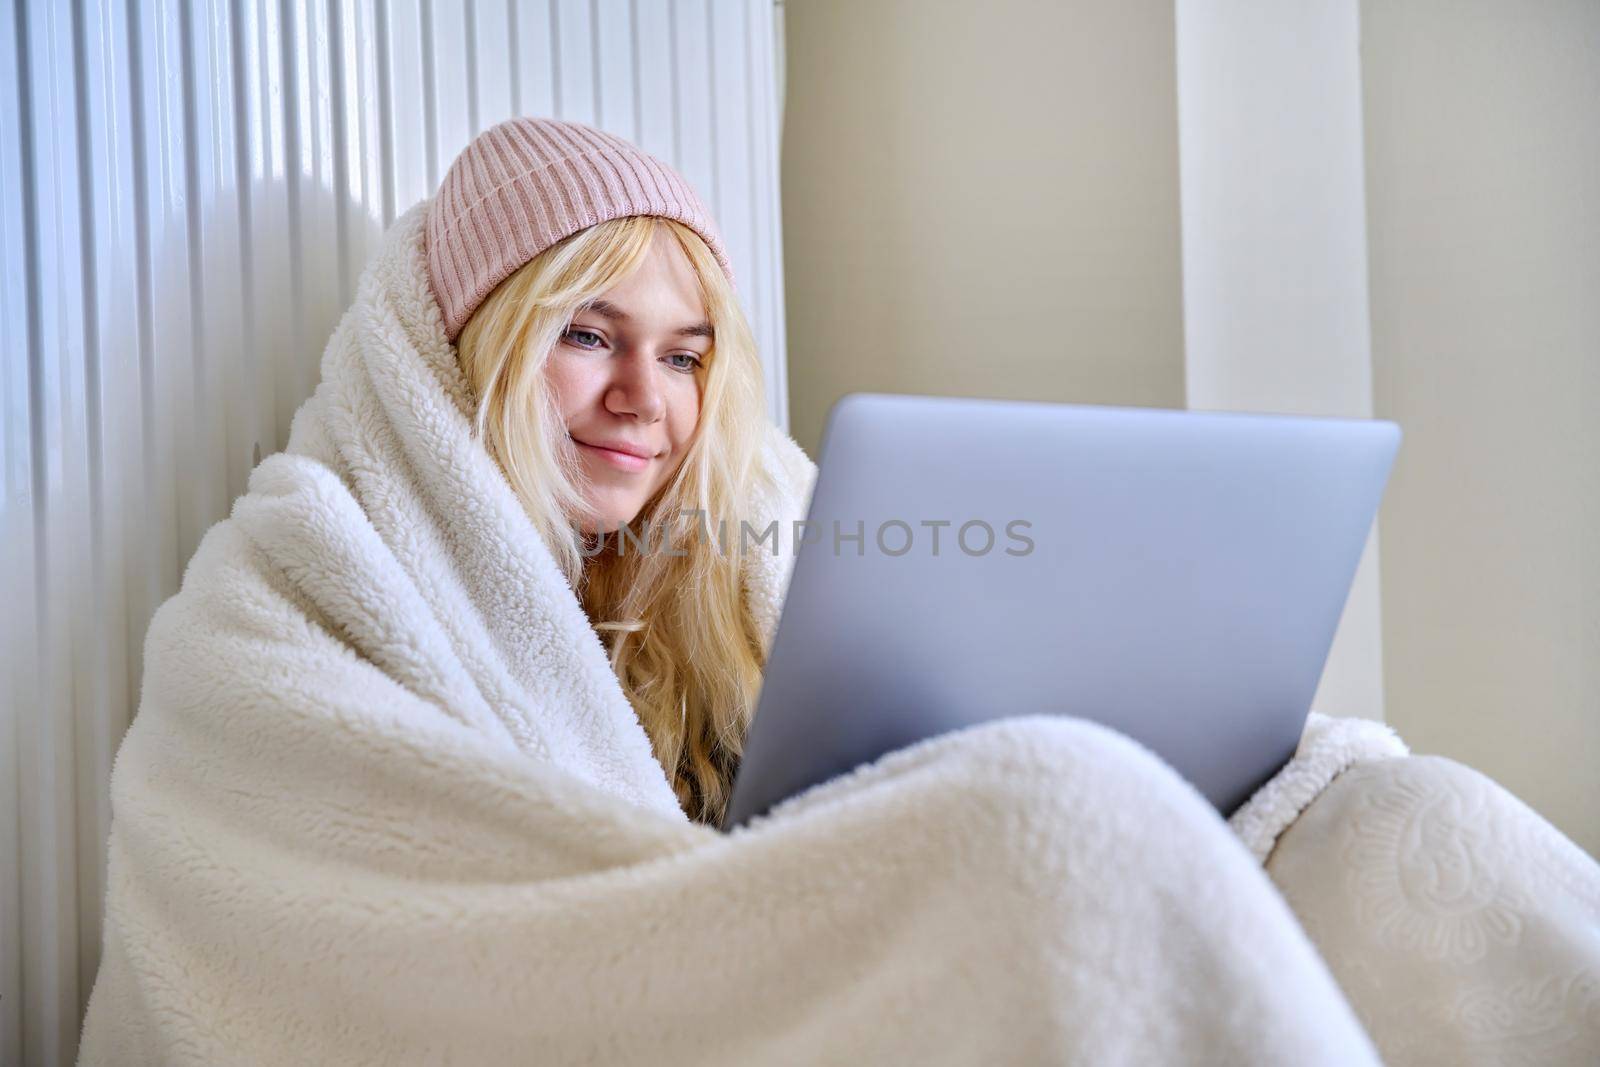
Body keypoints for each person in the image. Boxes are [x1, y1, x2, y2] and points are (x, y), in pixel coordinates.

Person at [78, 117, 1598, 1066]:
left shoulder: (750, 536)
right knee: (1053, 825)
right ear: (469, 351)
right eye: (585, 335)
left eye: (684, 357)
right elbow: (302, 901)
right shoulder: (304, 587)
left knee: (1415, 829)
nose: (641, 404)